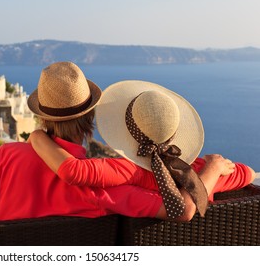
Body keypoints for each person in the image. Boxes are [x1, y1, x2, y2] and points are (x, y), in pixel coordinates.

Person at [0, 62, 240, 222]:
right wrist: (212, 170)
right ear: (93, 118)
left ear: (43, 117)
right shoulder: (106, 180)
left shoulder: (6, 159)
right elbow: (182, 207)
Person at [28, 80, 256, 219]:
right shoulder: (194, 171)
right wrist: (214, 168)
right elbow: (245, 173)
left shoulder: (123, 172)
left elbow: (72, 171)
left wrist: (37, 136)